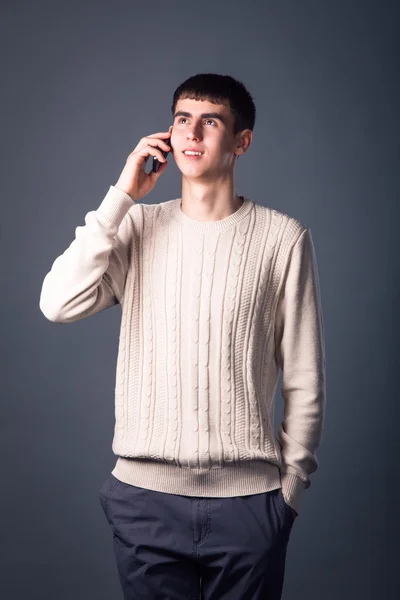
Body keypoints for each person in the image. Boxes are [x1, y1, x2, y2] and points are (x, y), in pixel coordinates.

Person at [39, 72, 326, 600]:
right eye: (181, 119)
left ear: (242, 141)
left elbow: (304, 377)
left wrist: (290, 493)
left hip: (250, 505)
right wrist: (121, 197)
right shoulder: (136, 227)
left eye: (210, 120)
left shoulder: (283, 239)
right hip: (145, 502)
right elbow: (58, 302)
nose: (191, 132)